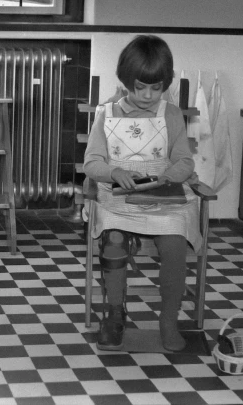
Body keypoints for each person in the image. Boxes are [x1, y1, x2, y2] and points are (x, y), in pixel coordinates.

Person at [83, 35, 201, 352]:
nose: (148, 95)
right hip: (119, 198)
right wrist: (115, 171)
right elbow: (92, 162)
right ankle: (115, 315)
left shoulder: (172, 115)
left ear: (165, 85)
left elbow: (184, 161)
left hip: (164, 198)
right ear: (125, 82)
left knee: (175, 246)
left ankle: (168, 320)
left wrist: (166, 177)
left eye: (156, 88)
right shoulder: (106, 114)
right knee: (114, 242)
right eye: (140, 87)